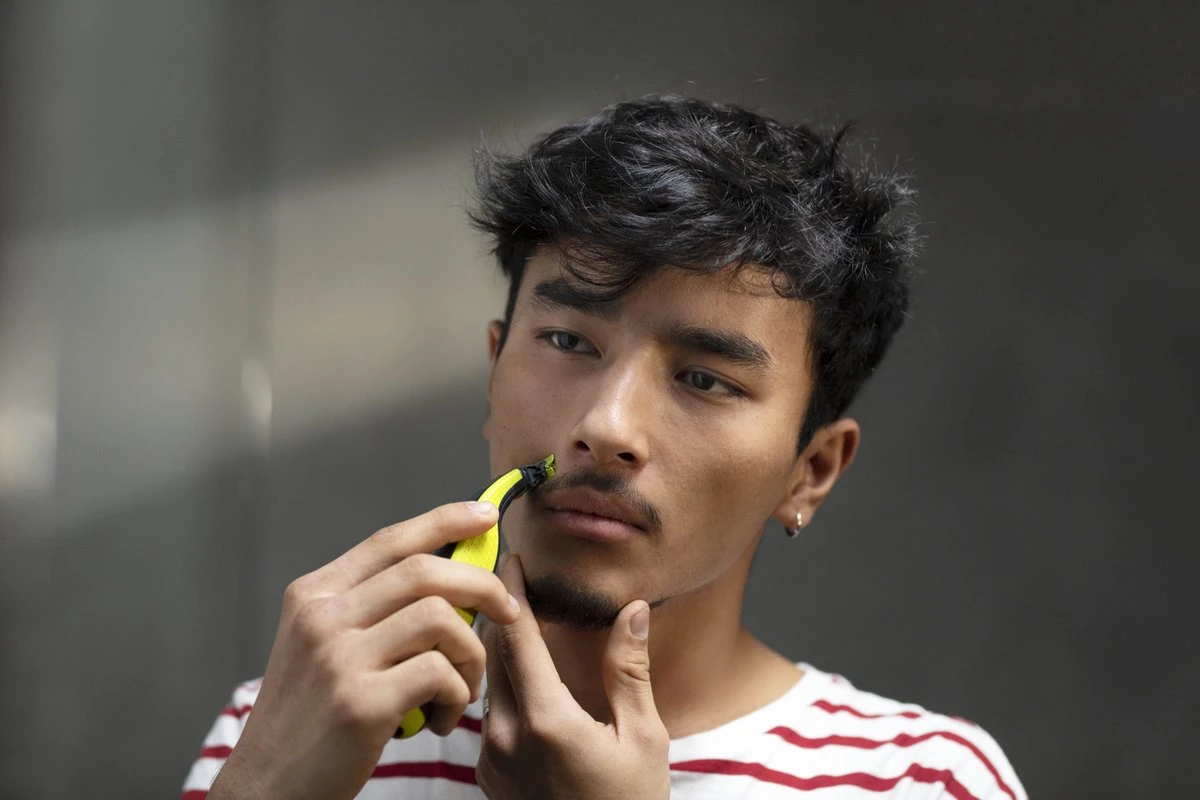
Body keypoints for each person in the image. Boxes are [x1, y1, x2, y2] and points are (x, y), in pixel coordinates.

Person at [183, 96, 1026, 799]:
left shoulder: (925, 782)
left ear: (810, 471)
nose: (608, 426)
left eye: (705, 379)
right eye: (566, 342)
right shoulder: (300, 725)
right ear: (492, 373)